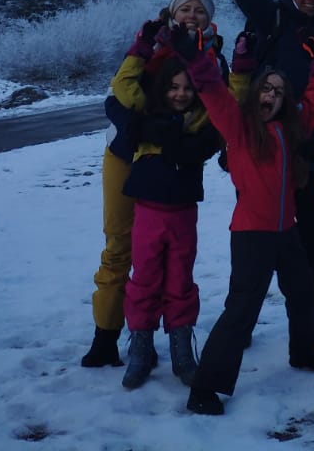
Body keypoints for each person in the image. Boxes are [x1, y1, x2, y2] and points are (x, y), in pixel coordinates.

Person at [185, 0, 314, 341]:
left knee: (312, 241)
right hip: (257, 150)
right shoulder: (270, 18)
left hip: (303, 150)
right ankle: (243, 321)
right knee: (254, 245)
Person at [175, 36, 314, 416]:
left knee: (303, 291)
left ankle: (305, 351)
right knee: (242, 308)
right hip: (251, 233)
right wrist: (195, 58)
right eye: (266, 88)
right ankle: (205, 387)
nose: (271, 95)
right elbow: (214, 92)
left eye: (279, 92)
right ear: (255, 94)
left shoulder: (292, 129)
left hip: (286, 229)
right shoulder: (240, 127)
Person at [80, 0, 221, 369]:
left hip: (172, 166)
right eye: (185, 9)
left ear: (209, 20)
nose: (192, 16)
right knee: (118, 245)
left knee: (167, 258)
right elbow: (115, 99)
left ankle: (165, 339)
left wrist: (195, 145)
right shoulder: (148, 49)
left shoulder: (213, 60)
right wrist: (141, 128)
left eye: (200, 11)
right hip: (125, 154)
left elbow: (219, 114)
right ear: (173, 14)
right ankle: (106, 336)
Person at [119, 46, 223, 391]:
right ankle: (141, 349)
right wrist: (140, 48)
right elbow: (123, 86)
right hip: (148, 212)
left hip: (183, 214)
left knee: (180, 282)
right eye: (174, 87)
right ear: (163, 88)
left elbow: (229, 99)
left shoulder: (203, 120)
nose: (181, 94)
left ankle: (182, 352)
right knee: (144, 281)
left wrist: (229, 65)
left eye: (188, 88)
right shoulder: (146, 115)